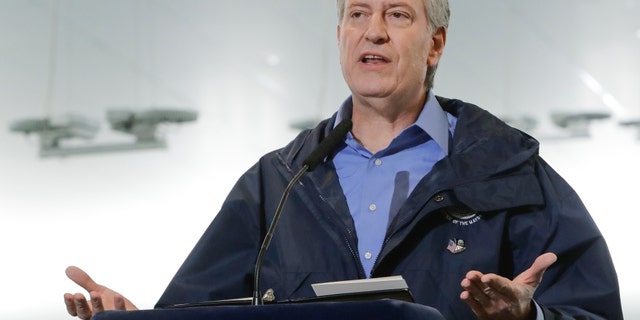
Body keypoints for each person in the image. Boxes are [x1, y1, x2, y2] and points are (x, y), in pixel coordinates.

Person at [64, 0, 623, 319]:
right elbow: (195, 315)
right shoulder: (279, 183)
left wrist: (532, 318)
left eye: (398, 14)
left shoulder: (508, 173)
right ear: (339, 36)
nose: (373, 30)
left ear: (435, 44)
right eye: (358, 13)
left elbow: (593, 311)